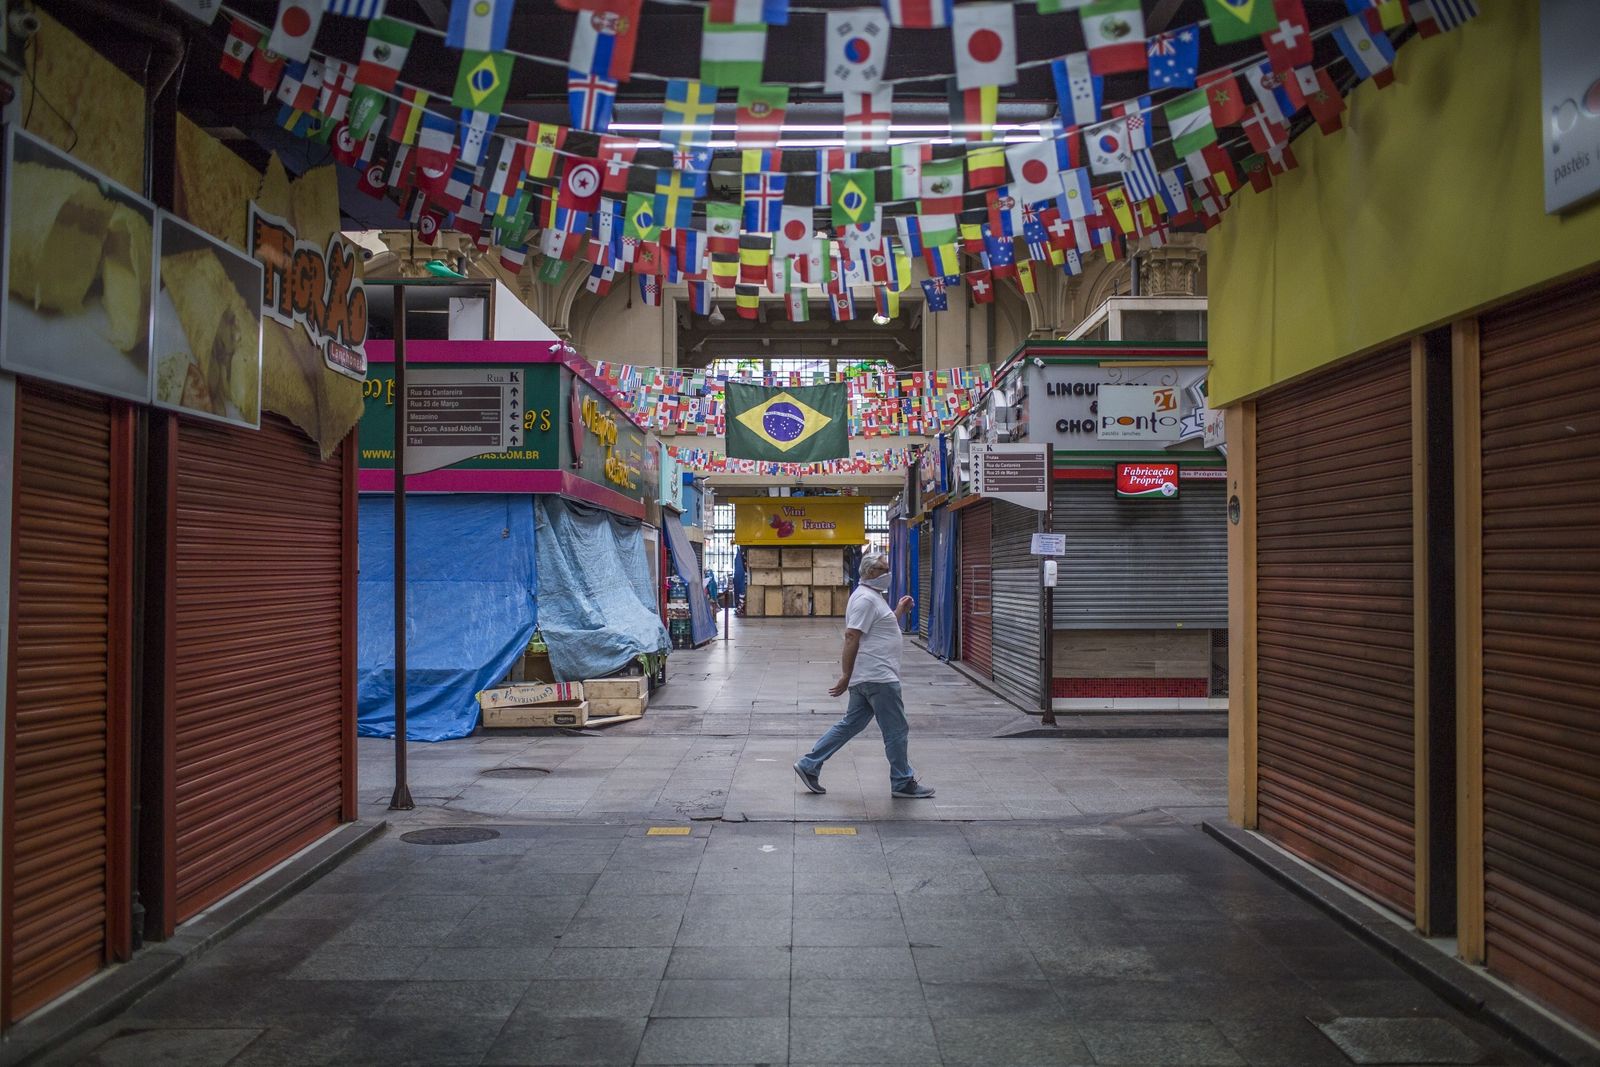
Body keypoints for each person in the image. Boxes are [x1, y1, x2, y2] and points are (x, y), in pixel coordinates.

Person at [794, 551, 935, 799]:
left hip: (870, 675)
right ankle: (902, 782)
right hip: (877, 677)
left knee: (851, 724)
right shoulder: (866, 600)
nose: (889, 574)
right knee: (896, 730)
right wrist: (845, 675)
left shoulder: (872, 597)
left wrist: (899, 611)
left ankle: (809, 764)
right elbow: (851, 636)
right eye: (885, 569)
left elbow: (876, 628)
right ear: (870, 573)